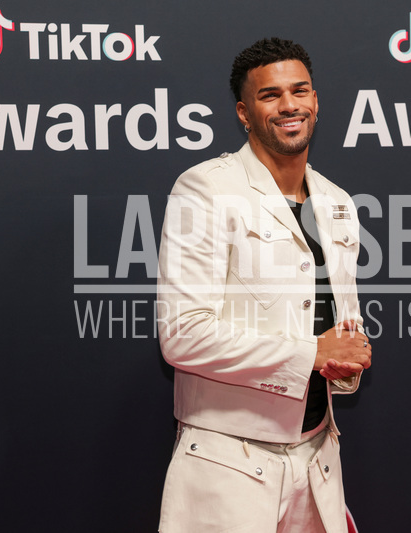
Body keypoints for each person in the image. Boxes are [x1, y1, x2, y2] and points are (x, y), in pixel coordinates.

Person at [156, 37, 371, 533]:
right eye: (270, 95)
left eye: (300, 91)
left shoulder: (337, 201)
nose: (289, 105)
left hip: (318, 460)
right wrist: (311, 353)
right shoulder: (206, 188)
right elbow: (183, 335)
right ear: (244, 113)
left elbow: (338, 324)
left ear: (315, 100)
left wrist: (344, 361)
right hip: (228, 464)